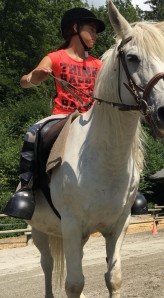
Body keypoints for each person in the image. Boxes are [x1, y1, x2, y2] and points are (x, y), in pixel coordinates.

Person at [3, 7, 105, 219]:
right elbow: (24, 81)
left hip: (93, 118)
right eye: (91, 29)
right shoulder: (55, 57)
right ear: (75, 28)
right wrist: (35, 77)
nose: (95, 35)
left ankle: (129, 189)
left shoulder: (98, 64)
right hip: (62, 116)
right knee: (33, 132)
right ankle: (26, 189)